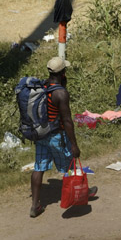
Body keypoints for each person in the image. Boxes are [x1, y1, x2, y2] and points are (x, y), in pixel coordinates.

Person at [30, 57, 96, 218]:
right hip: (56, 136)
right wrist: (74, 144)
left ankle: (35, 206)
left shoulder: (43, 86)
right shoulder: (60, 93)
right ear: (63, 72)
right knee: (71, 164)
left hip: (41, 134)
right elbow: (67, 120)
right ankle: (83, 192)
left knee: (39, 168)